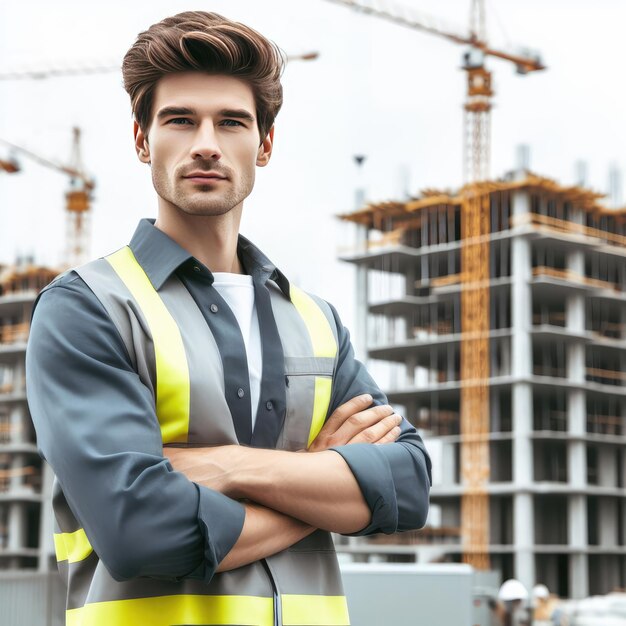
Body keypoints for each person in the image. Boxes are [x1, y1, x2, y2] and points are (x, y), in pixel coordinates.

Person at [25, 10, 432, 626]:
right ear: (143, 140)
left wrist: (229, 466)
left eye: (232, 121)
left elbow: (406, 486)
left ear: (264, 144)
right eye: (180, 119)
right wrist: (325, 484)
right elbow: (140, 533)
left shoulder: (316, 319)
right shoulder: (87, 308)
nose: (206, 142)